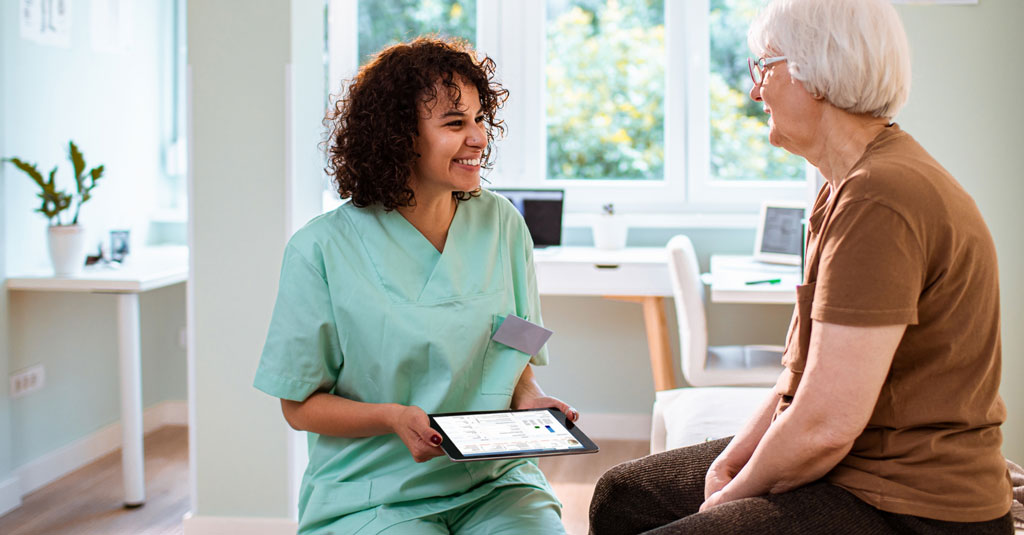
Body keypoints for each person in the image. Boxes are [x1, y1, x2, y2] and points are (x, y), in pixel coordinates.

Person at [589, 0, 1013, 533]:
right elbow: (798, 386)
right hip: (855, 467)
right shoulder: (842, 189)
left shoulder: (882, 196)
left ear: (814, 70)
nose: (754, 89)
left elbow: (825, 427)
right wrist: (726, 466)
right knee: (624, 493)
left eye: (764, 66)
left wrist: (725, 503)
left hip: (910, 506)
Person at [254, 37, 576, 534]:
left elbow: (518, 335)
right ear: (399, 136)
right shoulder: (319, 250)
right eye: (455, 123)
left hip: (494, 483)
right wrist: (391, 418)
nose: (479, 138)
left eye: (479, 119)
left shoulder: (502, 223)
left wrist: (527, 398)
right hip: (373, 493)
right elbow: (298, 405)